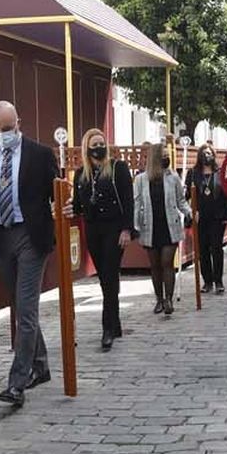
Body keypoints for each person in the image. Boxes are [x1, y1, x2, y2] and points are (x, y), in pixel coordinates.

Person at [0, 100, 61, 409]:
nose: (2, 134)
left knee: (26, 307)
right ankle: (41, 364)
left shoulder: (40, 154)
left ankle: (17, 382)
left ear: (18, 123)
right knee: (20, 306)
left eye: (7, 128)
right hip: (0, 237)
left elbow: (57, 193)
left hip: (31, 237)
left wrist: (66, 204)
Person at [74, 129, 134, 349]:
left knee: (109, 275)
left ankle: (107, 328)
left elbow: (128, 200)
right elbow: (77, 205)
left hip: (114, 228)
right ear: (87, 148)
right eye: (95, 144)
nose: (99, 147)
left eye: (102, 143)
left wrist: (127, 229)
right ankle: (115, 322)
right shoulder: (81, 174)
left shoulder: (118, 168)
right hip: (93, 229)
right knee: (105, 278)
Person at [133, 142, 192, 317]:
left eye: (168, 155)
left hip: (169, 225)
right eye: (163, 156)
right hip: (150, 226)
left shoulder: (173, 177)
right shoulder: (141, 180)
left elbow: (181, 201)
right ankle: (159, 298)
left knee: (167, 262)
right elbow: (136, 203)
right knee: (155, 265)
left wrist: (188, 213)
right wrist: (134, 226)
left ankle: (168, 299)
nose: (166, 158)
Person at [189, 145, 227, 294]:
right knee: (203, 249)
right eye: (204, 153)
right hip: (201, 218)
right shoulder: (193, 174)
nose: (207, 156)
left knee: (216, 248)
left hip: (217, 217)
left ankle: (218, 281)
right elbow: (187, 195)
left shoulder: (220, 173)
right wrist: (192, 211)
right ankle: (207, 281)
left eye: (209, 153)